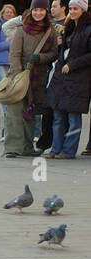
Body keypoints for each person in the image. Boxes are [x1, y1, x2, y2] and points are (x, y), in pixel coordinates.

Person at [3, 0, 58, 157]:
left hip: (38, 78)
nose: (38, 13)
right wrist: (17, 73)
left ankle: (27, 147)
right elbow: (14, 53)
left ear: (46, 12)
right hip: (19, 75)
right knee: (14, 112)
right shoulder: (21, 29)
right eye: (35, 10)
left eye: (41, 10)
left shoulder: (50, 30)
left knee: (31, 112)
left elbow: (54, 53)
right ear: (31, 11)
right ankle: (13, 148)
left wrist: (40, 58)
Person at [46, 0, 91, 156]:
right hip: (62, 77)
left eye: (76, 9)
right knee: (58, 116)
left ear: (83, 10)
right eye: (71, 8)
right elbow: (65, 51)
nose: (72, 11)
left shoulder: (88, 28)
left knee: (73, 117)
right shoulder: (69, 27)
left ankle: (68, 151)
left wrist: (72, 65)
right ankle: (56, 148)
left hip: (78, 78)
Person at [35, 0, 66, 151]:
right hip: (46, 69)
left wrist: (62, 42)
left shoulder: (70, 25)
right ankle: (44, 142)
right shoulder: (47, 23)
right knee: (46, 108)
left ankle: (57, 144)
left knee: (59, 112)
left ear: (63, 8)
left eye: (54, 6)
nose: (51, 9)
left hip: (63, 71)